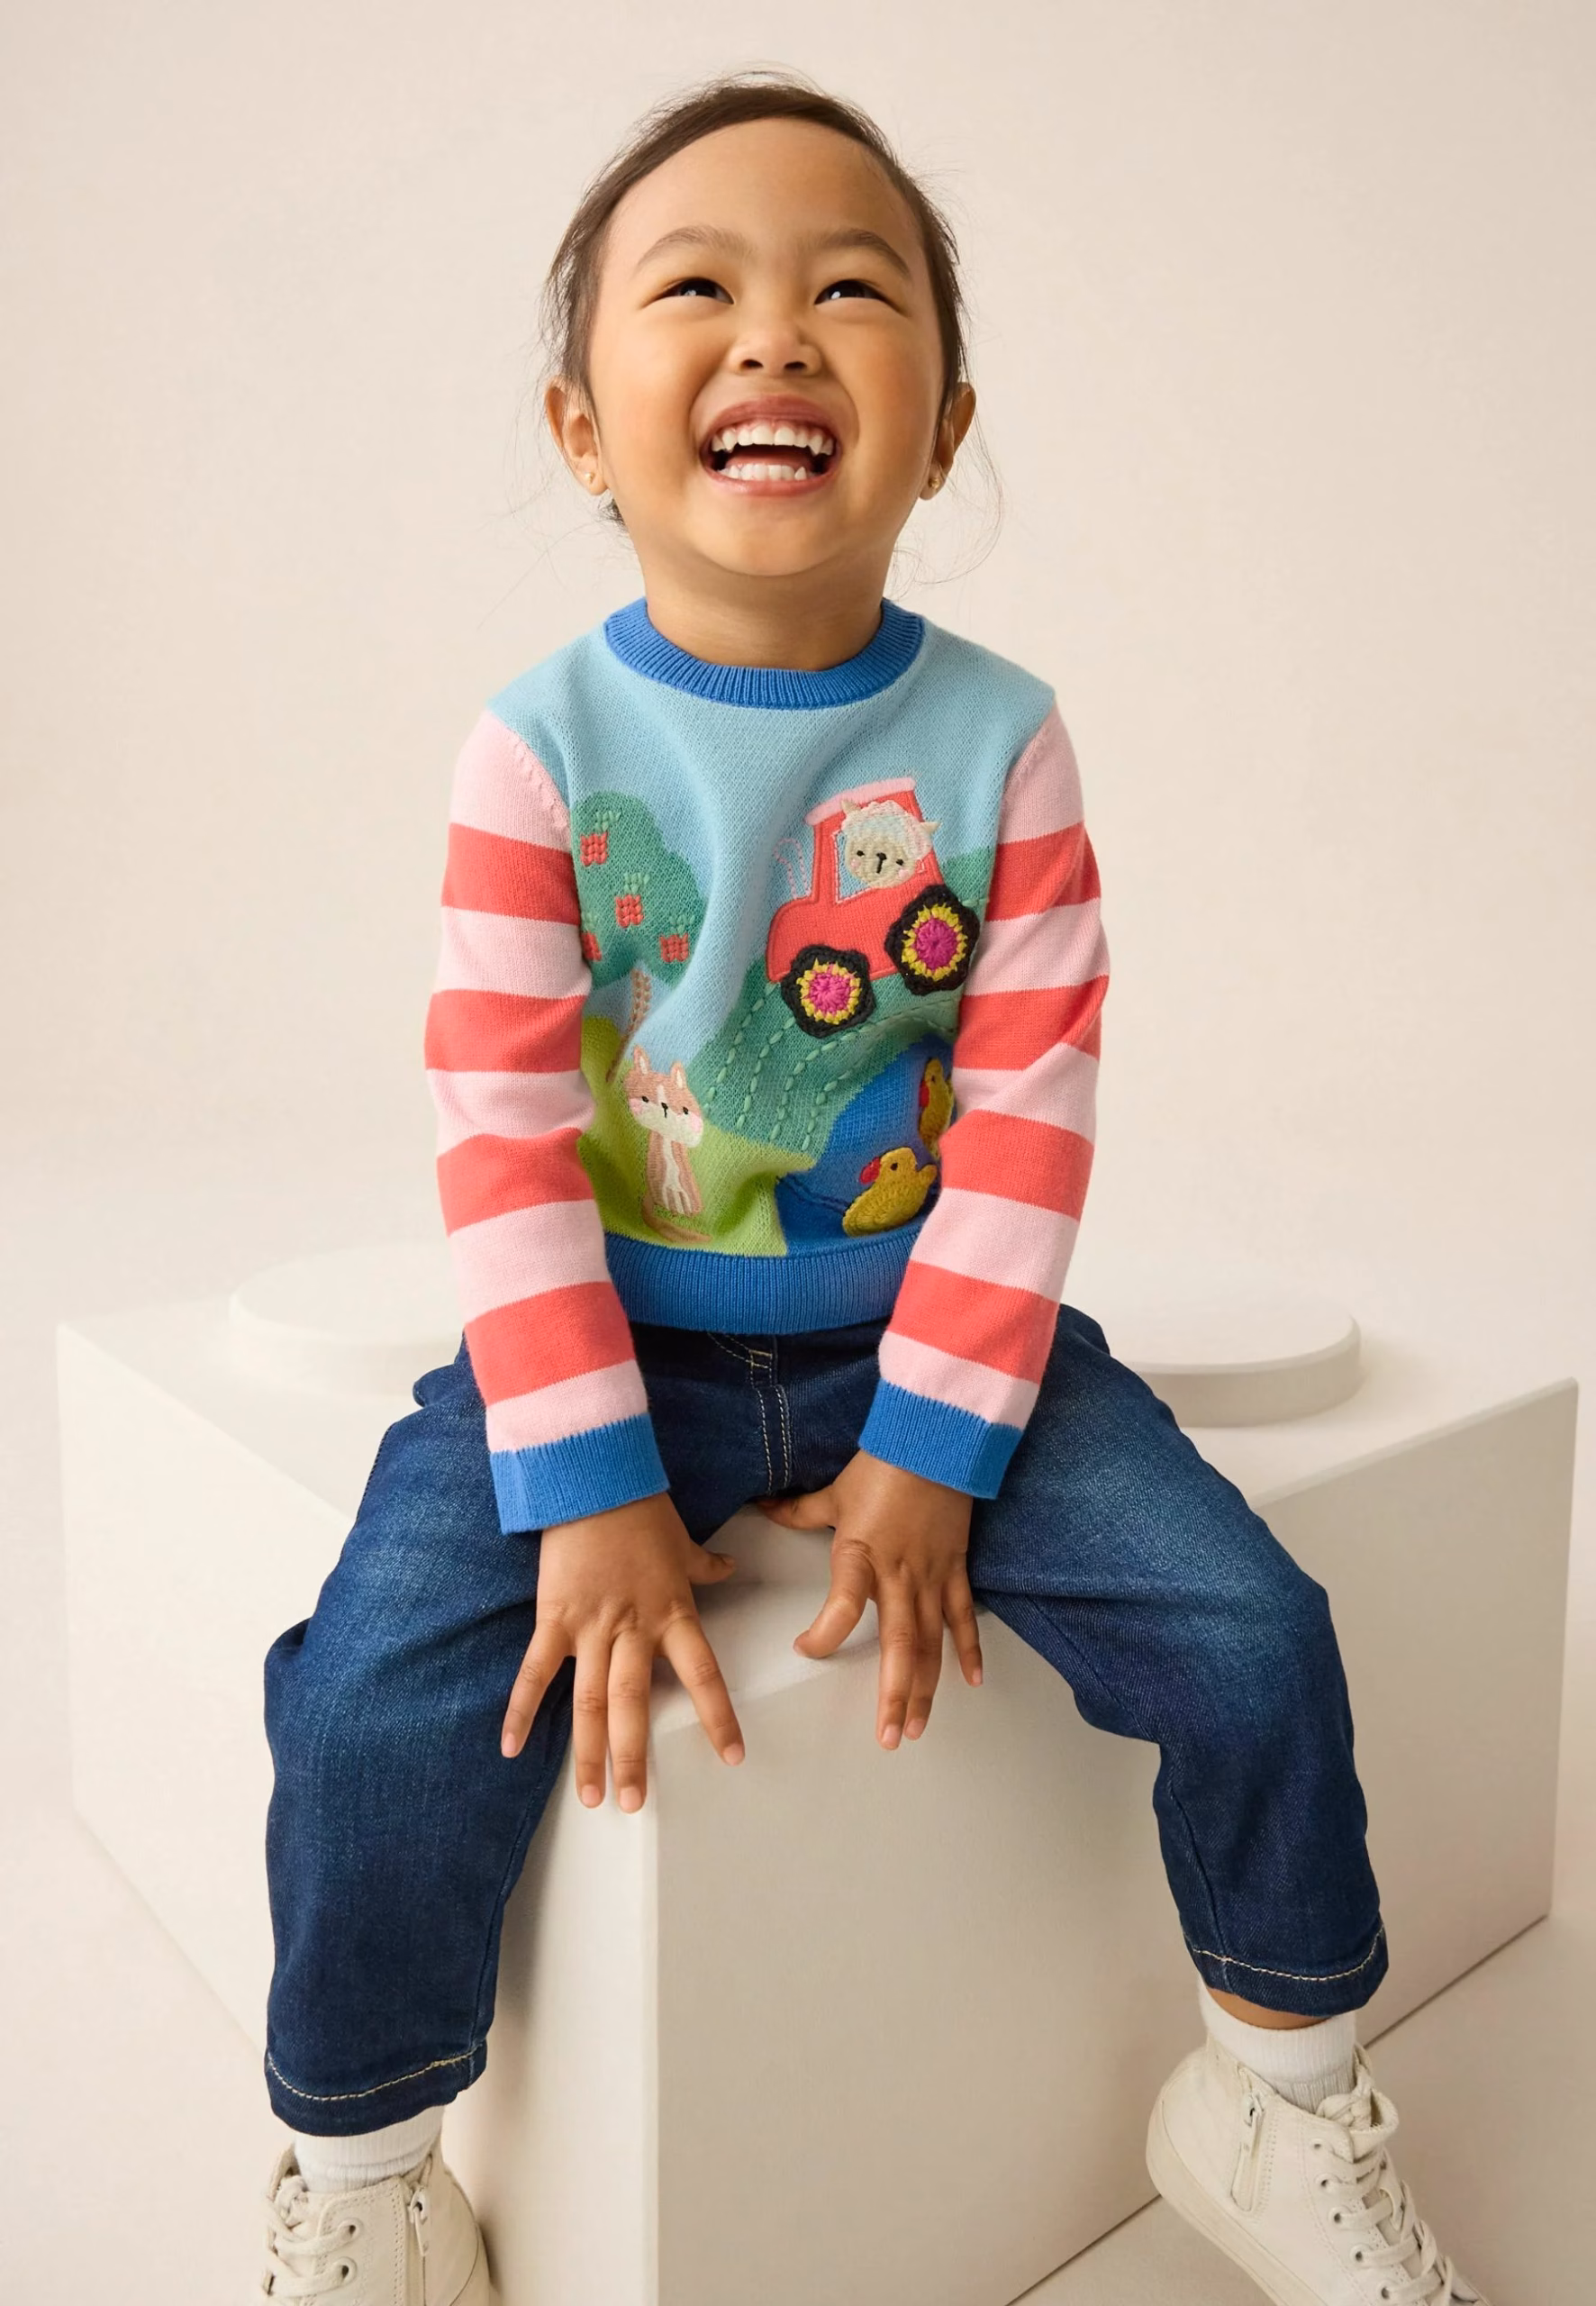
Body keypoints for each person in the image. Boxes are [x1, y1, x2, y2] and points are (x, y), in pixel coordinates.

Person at [256, 69, 1485, 2306]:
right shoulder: (534, 749)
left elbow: (1023, 1114)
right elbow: (502, 1132)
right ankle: (365, 2167)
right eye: (696, 289)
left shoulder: (1000, 739)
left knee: (1254, 1629)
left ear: (941, 429)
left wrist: (937, 1444)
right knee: (364, 1703)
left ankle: (1277, 2095)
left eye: (850, 288)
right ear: (579, 425)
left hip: (923, 1330)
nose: (775, 331)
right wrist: (585, 1476)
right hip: (600, 1340)